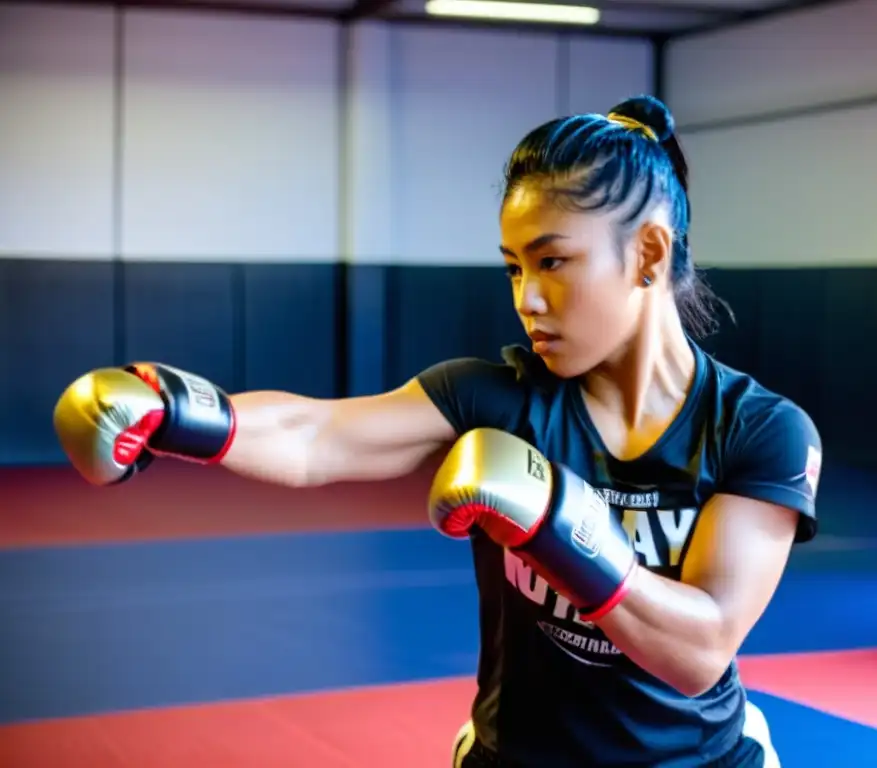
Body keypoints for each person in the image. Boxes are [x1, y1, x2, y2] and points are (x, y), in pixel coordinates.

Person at [53, 94, 821, 767]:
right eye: (514, 267)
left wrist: (560, 524)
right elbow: (315, 436)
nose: (527, 298)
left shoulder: (759, 431)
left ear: (648, 253)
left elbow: (701, 647)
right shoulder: (495, 398)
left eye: (552, 261)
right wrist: (181, 412)